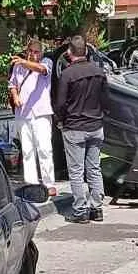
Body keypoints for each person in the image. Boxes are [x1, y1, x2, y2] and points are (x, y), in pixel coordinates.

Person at [52, 35, 106, 222]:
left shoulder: (67, 74)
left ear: (69, 52)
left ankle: (80, 210)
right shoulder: (98, 71)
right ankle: (97, 208)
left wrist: (61, 120)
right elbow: (106, 100)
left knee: (76, 171)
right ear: (86, 50)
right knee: (94, 168)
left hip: (74, 126)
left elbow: (59, 103)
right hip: (96, 125)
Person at [8, 36, 55, 191]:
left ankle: (49, 183)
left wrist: (24, 62)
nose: (33, 54)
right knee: (27, 150)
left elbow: (42, 70)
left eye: (36, 52)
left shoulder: (46, 63)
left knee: (44, 148)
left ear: (41, 53)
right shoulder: (18, 67)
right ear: (26, 51)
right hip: (23, 113)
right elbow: (12, 84)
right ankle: (31, 182)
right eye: (30, 51)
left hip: (41, 113)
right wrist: (15, 96)